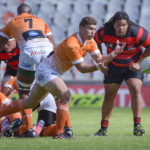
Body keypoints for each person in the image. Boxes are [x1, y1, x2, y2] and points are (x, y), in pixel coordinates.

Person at [0, 16, 126, 139]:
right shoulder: (72, 44)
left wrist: (114, 53)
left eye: (94, 29)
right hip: (47, 71)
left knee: (29, 102)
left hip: (49, 72)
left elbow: (100, 59)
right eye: (89, 29)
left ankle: (2, 113)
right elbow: (82, 69)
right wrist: (99, 67)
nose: (93, 32)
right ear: (81, 28)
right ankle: (60, 133)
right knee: (65, 96)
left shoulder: (90, 42)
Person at [0, 4, 56, 137]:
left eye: (9, 41)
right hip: (16, 71)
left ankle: (15, 120)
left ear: (15, 39)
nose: (7, 44)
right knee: (6, 90)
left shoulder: (22, 43)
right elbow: (52, 45)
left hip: (27, 72)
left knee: (14, 93)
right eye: (5, 41)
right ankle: (57, 127)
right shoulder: (4, 48)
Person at [94, 11, 150, 136]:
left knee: (135, 89)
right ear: (114, 24)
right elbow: (94, 42)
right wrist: (102, 60)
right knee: (109, 95)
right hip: (113, 66)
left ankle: (137, 127)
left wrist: (139, 62)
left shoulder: (138, 32)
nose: (121, 28)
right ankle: (103, 129)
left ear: (128, 25)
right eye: (118, 25)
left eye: (123, 25)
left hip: (133, 66)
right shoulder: (104, 31)